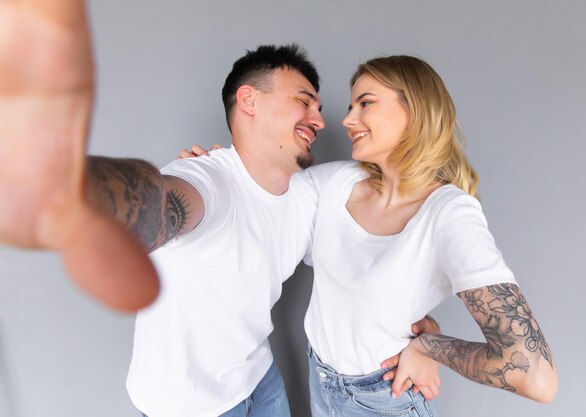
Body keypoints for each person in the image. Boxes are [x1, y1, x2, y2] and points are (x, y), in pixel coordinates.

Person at [0, 1, 440, 416]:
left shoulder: (311, 195)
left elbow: (375, 262)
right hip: (186, 406)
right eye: (303, 100)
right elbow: (155, 202)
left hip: (261, 382)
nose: (320, 119)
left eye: (320, 107)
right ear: (249, 100)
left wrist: (428, 337)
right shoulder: (207, 182)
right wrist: (61, 186)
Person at [181, 55, 559, 416]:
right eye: (350, 107)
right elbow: (258, 193)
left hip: (386, 399)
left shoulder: (450, 213)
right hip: (320, 382)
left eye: (365, 103)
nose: (348, 120)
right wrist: (215, 175)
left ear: (415, 110)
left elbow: (535, 375)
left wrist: (430, 346)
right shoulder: (336, 182)